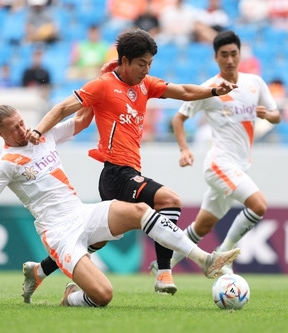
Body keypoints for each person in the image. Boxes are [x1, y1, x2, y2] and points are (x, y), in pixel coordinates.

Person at [0, 101, 241, 308]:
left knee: (141, 210)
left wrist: (101, 86)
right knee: (103, 296)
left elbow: (82, 119)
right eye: (14, 128)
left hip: (81, 212)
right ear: (0, 134)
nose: (22, 129)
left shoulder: (44, 135)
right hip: (57, 233)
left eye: (21, 122)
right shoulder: (3, 165)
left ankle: (205, 260)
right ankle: (69, 296)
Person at [24, 28, 237, 299]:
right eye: (141, 64)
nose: (146, 70)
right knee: (169, 200)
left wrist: (215, 90)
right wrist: (38, 131)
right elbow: (62, 108)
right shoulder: (102, 85)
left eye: (149, 64)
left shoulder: (145, 85)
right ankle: (164, 271)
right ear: (124, 61)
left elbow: (183, 90)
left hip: (128, 173)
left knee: (92, 240)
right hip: (115, 173)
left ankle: (39, 271)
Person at [150, 30, 280, 276]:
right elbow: (178, 119)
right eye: (224, 55)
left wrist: (266, 114)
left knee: (202, 226)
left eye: (233, 54)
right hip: (220, 164)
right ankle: (224, 254)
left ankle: (162, 267)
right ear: (216, 57)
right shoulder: (210, 88)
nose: (229, 60)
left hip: (239, 166)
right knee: (259, 206)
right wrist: (184, 150)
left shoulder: (255, 83)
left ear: (240, 54)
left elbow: (276, 115)